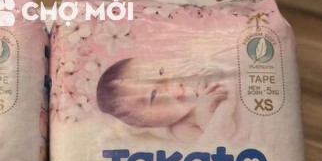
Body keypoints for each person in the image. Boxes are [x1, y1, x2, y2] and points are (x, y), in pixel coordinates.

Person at [96, 58, 233, 142]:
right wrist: (204, 115)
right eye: (154, 94)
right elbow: (222, 142)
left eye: (161, 72)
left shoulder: (189, 75)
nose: (168, 82)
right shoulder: (182, 128)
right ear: (148, 123)